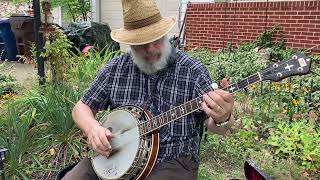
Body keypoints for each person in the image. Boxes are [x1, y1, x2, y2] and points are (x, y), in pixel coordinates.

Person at [62, 0, 235, 179]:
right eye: (141, 44)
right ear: (130, 44)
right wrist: (93, 129)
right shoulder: (115, 69)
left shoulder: (192, 71)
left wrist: (223, 118)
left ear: (165, 34)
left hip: (172, 160)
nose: (151, 49)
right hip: (116, 155)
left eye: (156, 40)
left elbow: (216, 127)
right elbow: (81, 108)